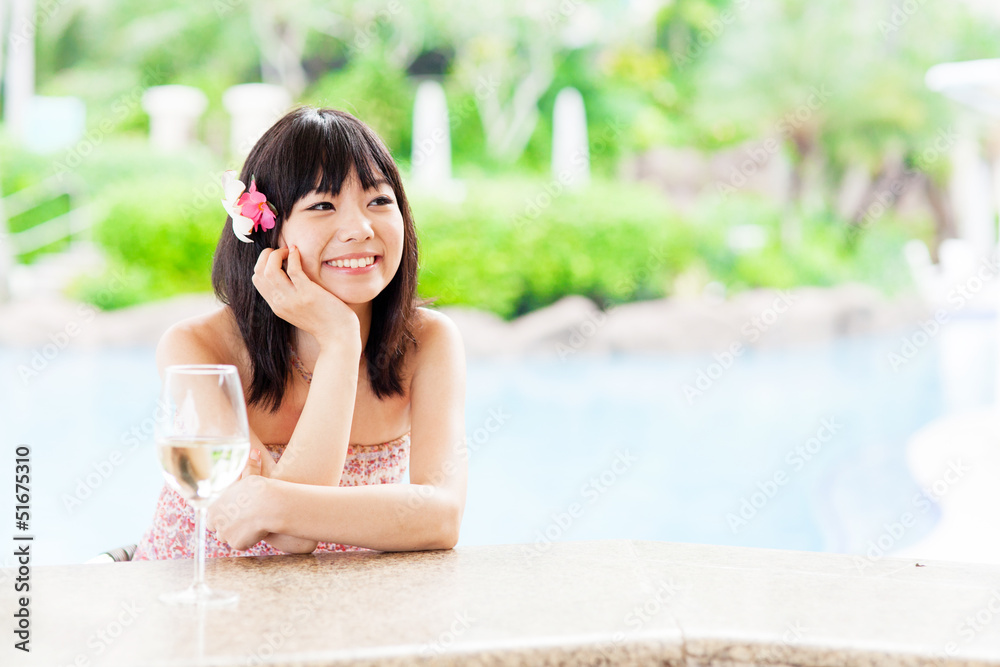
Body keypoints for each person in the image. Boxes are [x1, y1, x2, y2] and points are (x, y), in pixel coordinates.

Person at [133, 106, 467, 559]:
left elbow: (442, 518)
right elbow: (289, 541)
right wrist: (340, 340)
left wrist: (272, 498)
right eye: (322, 206)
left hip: (337, 617)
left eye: (379, 201)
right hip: (203, 612)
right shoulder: (198, 348)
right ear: (267, 233)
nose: (360, 229)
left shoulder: (428, 343)